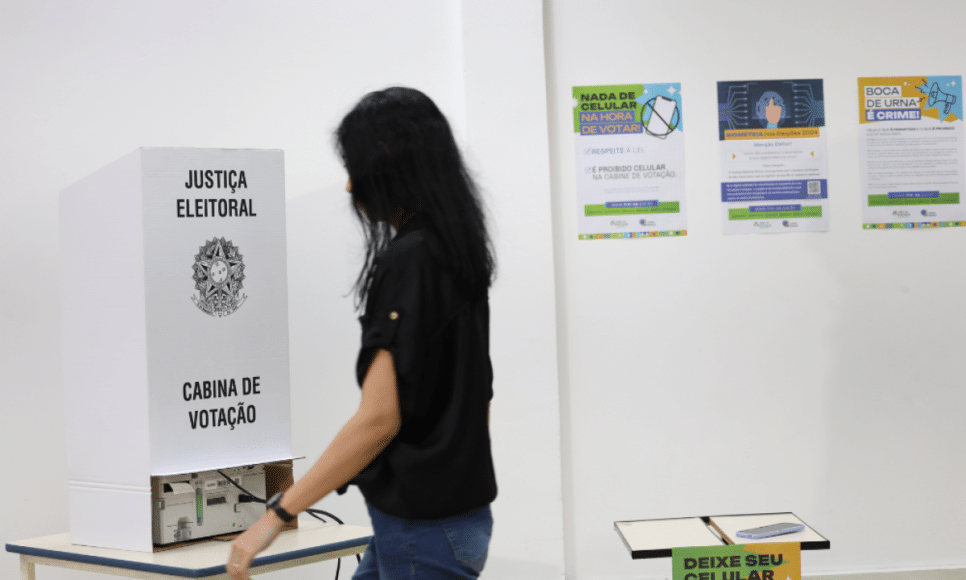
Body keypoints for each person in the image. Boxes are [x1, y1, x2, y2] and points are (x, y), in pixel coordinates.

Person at [226, 87, 497, 580]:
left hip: (423, 532)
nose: (351, 187)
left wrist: (274, 518)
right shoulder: (458, 255)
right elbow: (478, 400)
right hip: (450, 523)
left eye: (357, 166)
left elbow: (378, 420)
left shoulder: (411, 261)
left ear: (390, 162)